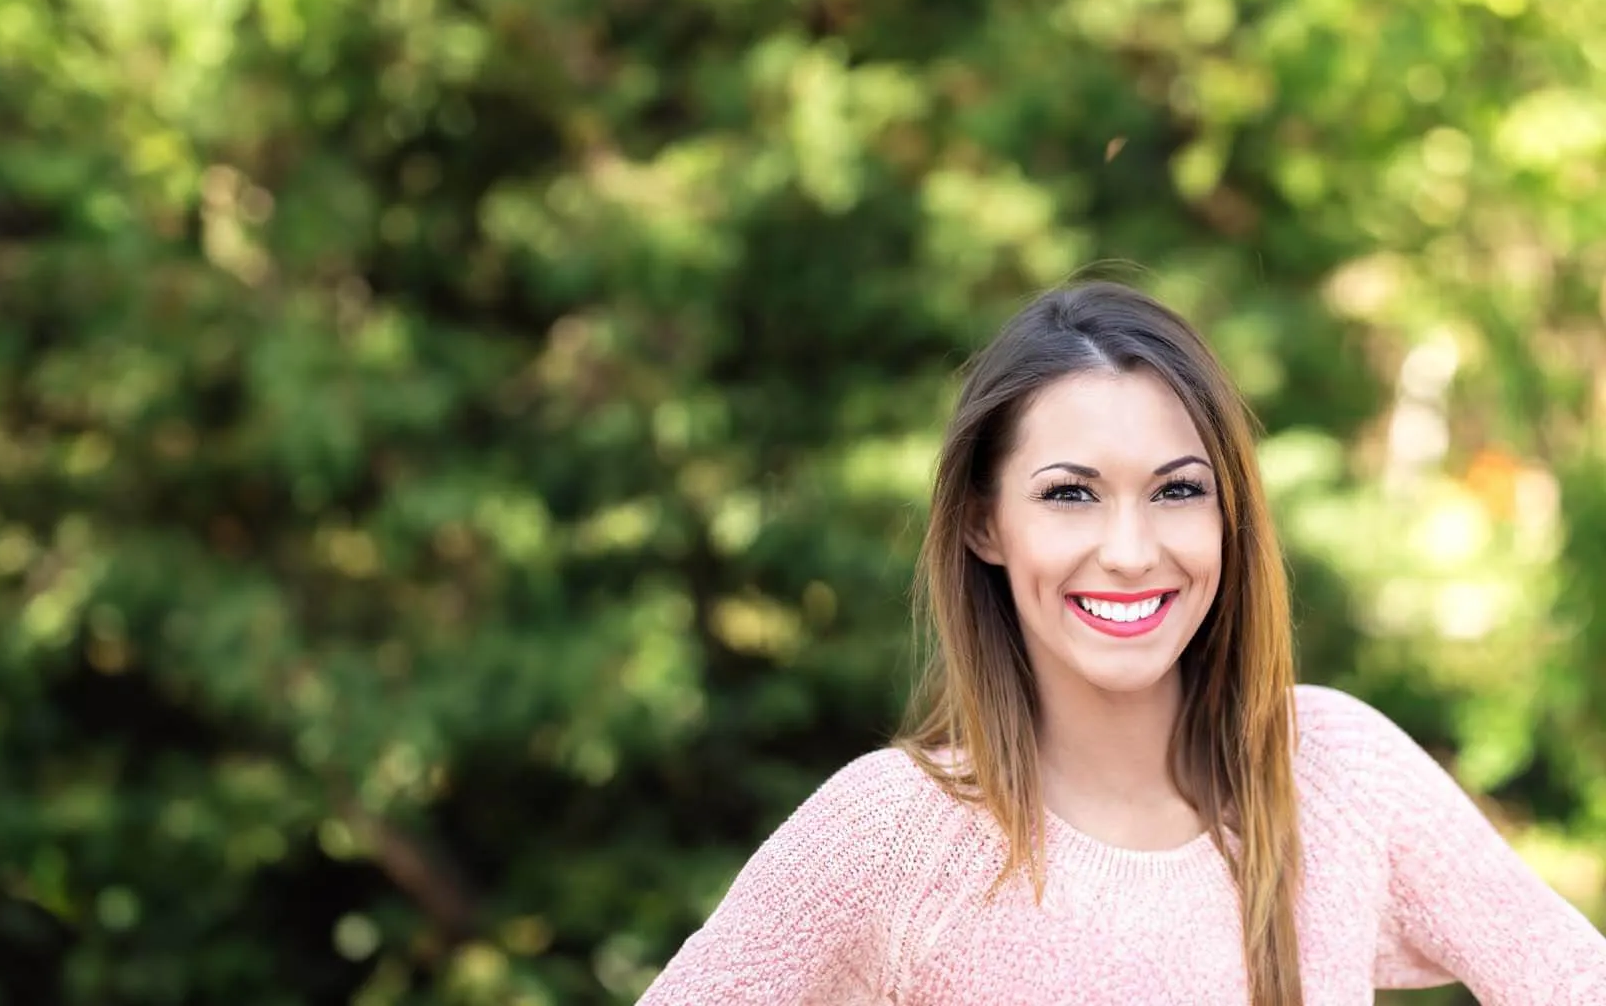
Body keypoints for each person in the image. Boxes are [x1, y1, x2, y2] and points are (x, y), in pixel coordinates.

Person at [636, 282, 1606, 1005]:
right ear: (984, 524)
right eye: (1069, 495)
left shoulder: (1334, 776)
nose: (1132, 552)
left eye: (1179, 490)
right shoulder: (894, 835)